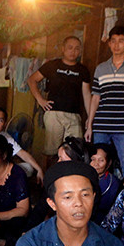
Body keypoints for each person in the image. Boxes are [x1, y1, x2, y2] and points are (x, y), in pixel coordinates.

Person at [85, 26, 124, 176]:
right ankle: (100, 196)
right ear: (109, 44)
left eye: (121, 41)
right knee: (97, 163)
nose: (116, 45)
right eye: (113, 41)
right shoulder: (101, 68)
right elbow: (96, 97)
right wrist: (89, 124)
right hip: (101, 124)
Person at [27, 36, 92, 165]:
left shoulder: (82, 70)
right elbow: (31, 80)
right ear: (63, 49)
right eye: (70, 48)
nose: (73, 51)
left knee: (76, 150)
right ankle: (48, 181)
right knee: (51, 152)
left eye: (77, 49)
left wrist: (90, 118)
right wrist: (40, 100)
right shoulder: (52, 65)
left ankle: (70, 181)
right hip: (53, 114)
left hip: (74, 115)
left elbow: (86, 94)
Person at [0, 107, 44, 182]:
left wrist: (39, 169)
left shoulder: (5, 136)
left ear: (5, 124)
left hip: (3, 170)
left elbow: (22, 153)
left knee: (28, 167)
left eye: (0, 120)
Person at [88, 142, 122, 224]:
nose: (96, 164)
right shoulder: (83, 178)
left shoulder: (113, 183)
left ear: (109, 163)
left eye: (101, 160)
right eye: (93, 159)